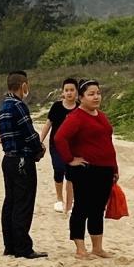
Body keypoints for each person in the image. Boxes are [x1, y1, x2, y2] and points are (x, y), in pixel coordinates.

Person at [52, 79, 119, 259]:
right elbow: (60, 138)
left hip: (105, 169)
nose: (96, 97)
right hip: (85, 169)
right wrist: (69, 159)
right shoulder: (76, 117)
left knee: (98, 209)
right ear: (81, 97)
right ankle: (80, 248)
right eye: (91, 94)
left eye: (97, 93)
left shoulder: (102, 116)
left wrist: (114, 167)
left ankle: (97, 247)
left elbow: (107, 142)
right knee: (82, 207)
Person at [0, 71, 46, 259]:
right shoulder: (18, 106)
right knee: (23, 203)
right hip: (22, 161)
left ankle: (9, 245)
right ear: (22, 85)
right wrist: (39, 148)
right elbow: (29, 134)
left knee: (10, 201)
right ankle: (23, 247)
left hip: (8, 159)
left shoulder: (3, 107)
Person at [45, 78, 82, 216]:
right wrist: (40, 141)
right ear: (63, 92)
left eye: (72, 90)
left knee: (71, 174)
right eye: (66, 90)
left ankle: (70, 202)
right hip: (56, 145)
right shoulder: (56, 107)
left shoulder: (80, 108)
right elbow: (48, 125)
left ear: (77, 92)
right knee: (59, 169)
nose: (69, 93)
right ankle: (59, 199)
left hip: (74, 146)